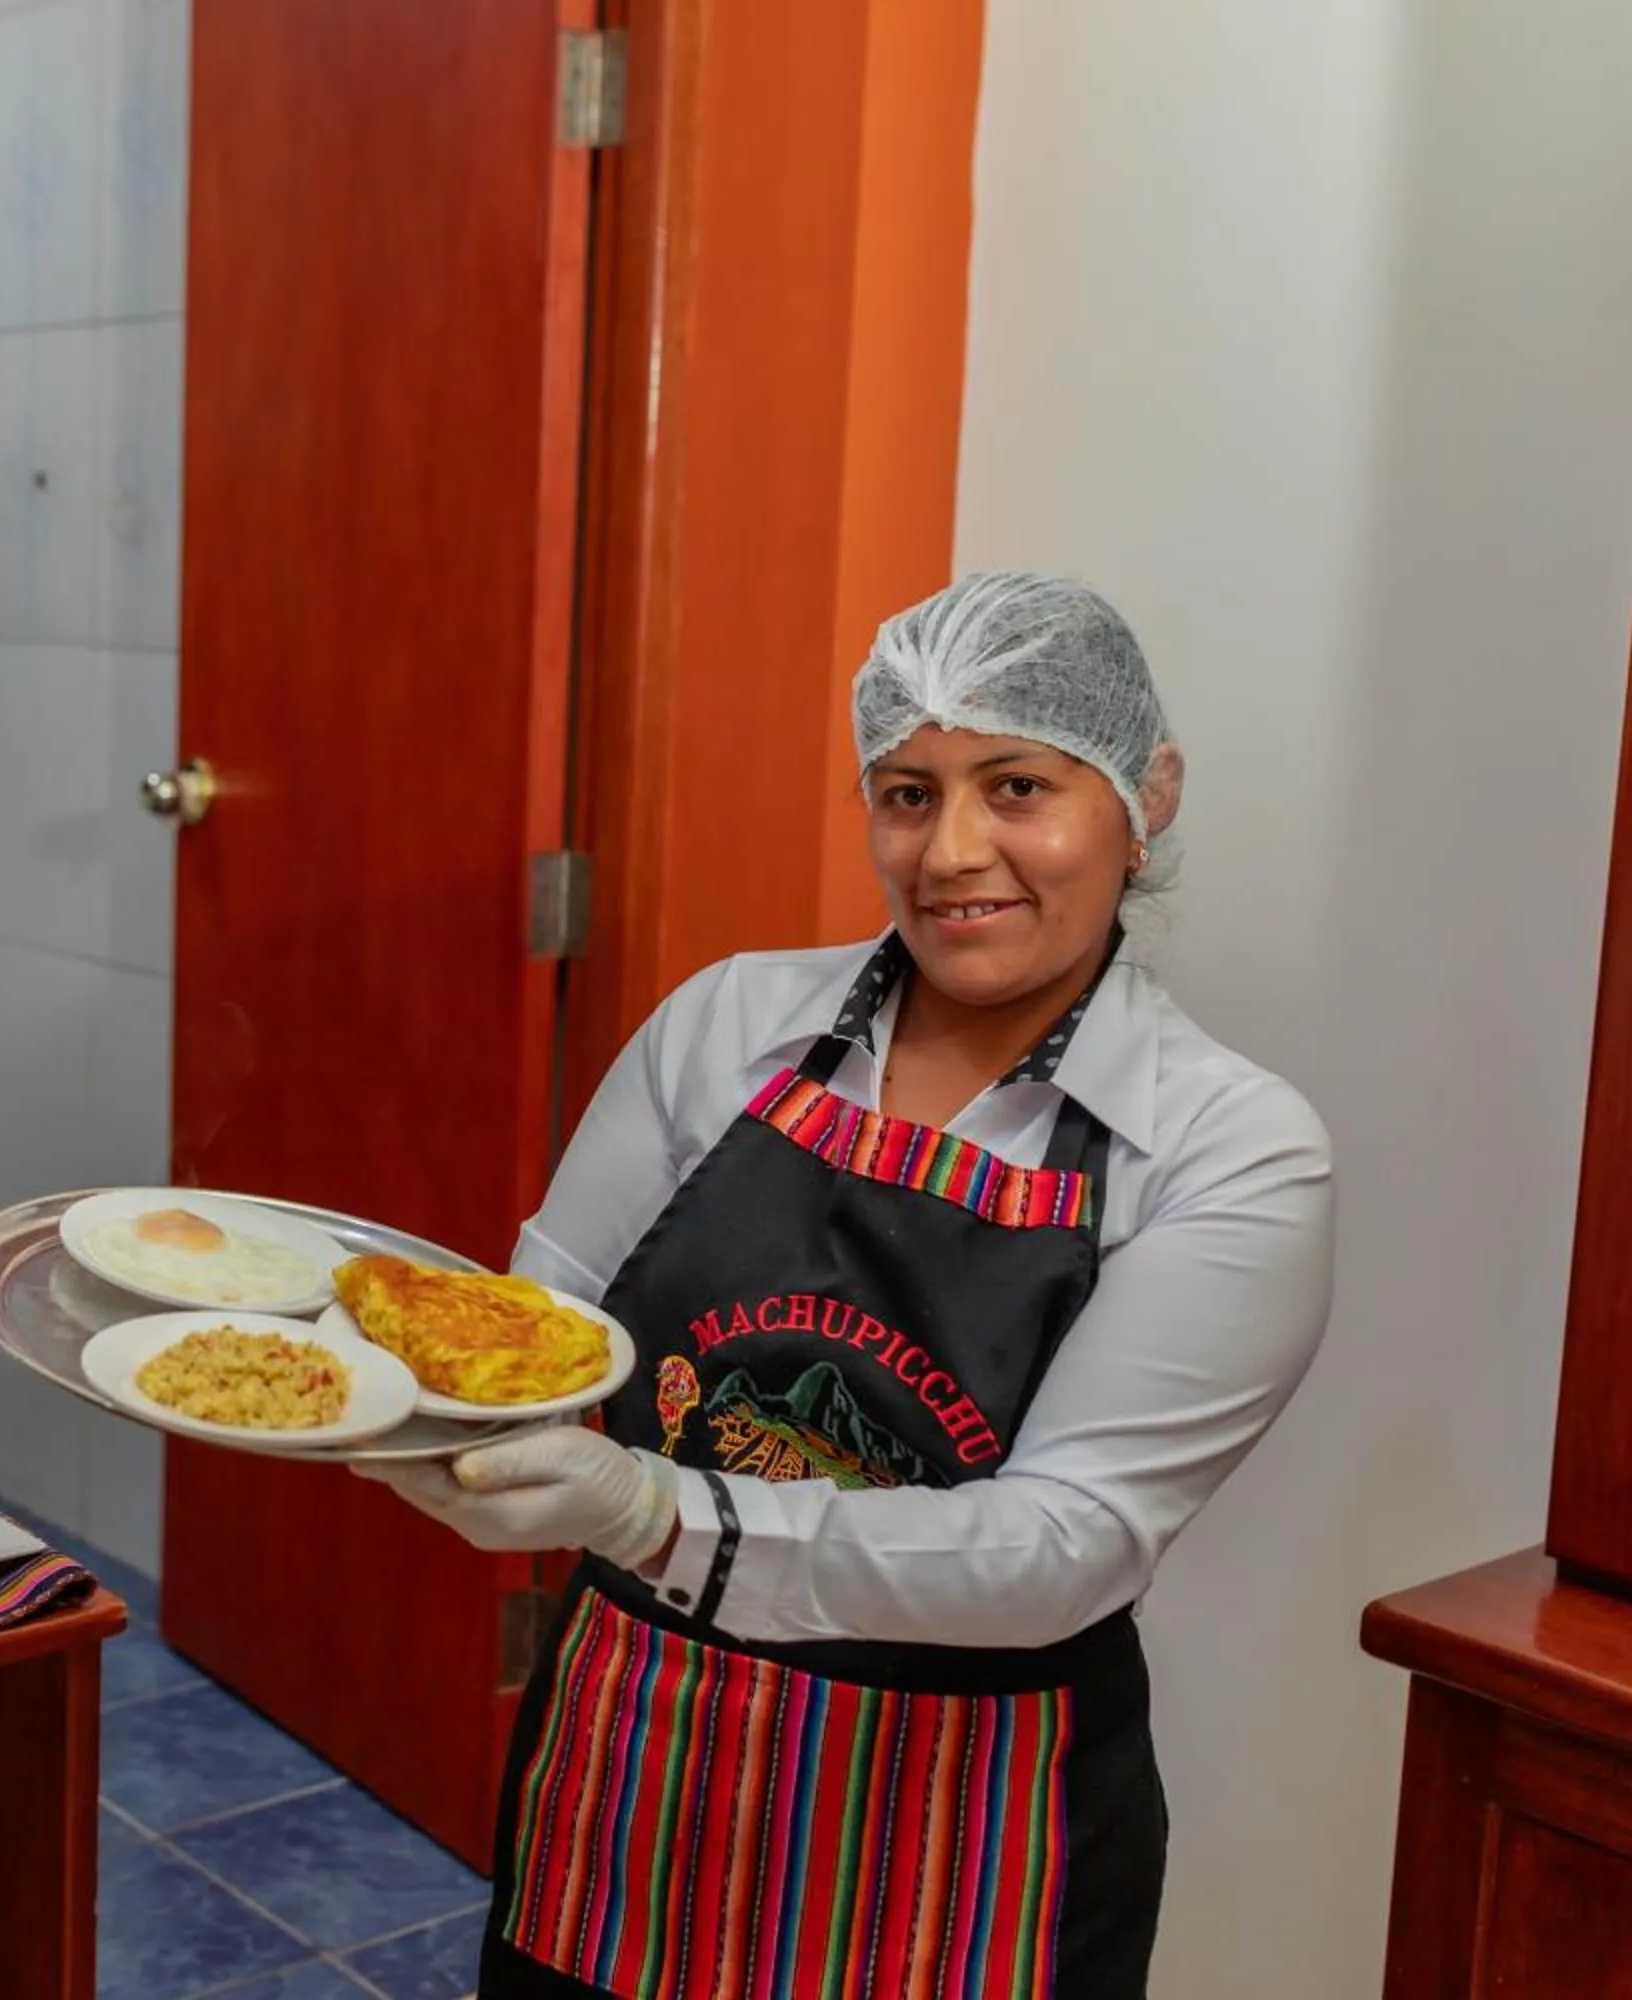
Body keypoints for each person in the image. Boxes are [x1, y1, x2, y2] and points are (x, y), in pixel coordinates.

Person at [364, 572, 1336, 1998]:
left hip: (962, 1845)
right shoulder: (730, 1024)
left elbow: (1068, 1543)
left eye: (1017, 787)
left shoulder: (1226, 1150)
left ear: (1144, 797)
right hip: (630, 1776)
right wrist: (406, 1408)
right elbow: (546, 1321)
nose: (950, 854)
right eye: (904, 793)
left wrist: (651, 1506)